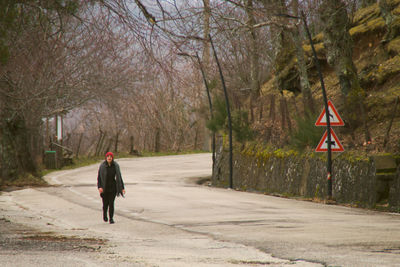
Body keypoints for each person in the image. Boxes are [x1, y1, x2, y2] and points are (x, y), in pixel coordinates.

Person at [97, 152, 125, 224]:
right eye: (108, 156)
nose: (109, 158)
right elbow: (99, 178)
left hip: (113, 187)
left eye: (110, 157)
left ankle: (111, 218)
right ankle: (105, 215)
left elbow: (119, 177)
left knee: (111, 203)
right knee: (105, 204)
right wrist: (99, 187)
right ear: (106, 158)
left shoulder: (115, 166)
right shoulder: (102, 166)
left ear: (112, 158)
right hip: (104, 187)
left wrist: (122, 188)